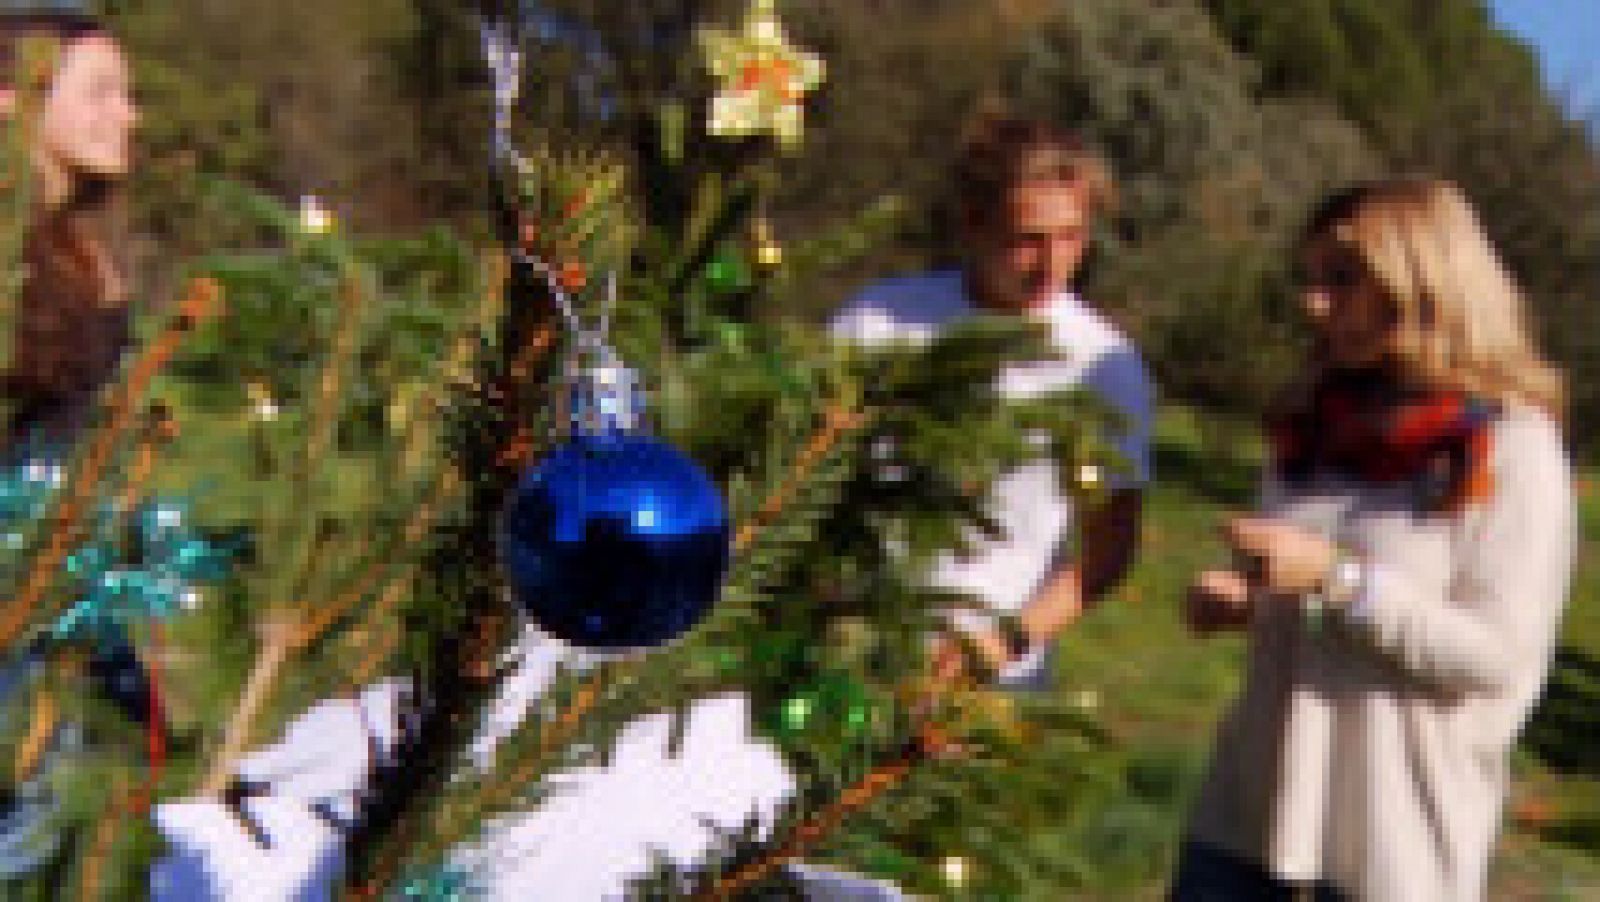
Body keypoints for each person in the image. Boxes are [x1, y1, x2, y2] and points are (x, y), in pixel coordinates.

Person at [1174, 177, 1576, 901]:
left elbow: (1499, 658)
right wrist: (1248, 601)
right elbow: (1311, 594)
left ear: (1420, 281)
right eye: (1310, 280)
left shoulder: (1510, 447)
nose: (1314, 303)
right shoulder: (1311, 424)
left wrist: (1338, 579)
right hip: (1248, 818)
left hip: (1393, 844)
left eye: (1342, 279)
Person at [830, 113, 1152, 687]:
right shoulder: (877, 322)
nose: (1051, 264)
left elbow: (1107, 552)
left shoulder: (1104, 365)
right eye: (1028, 241)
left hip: (990, 682)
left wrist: (1004, 643)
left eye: (1071, 238)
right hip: (849, 657)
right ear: (974, 224)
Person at [0, 0, 147, 883]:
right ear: (14, 97)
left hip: (71, 592)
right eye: (100, 92)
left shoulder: (83, 254)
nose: (128, 114)